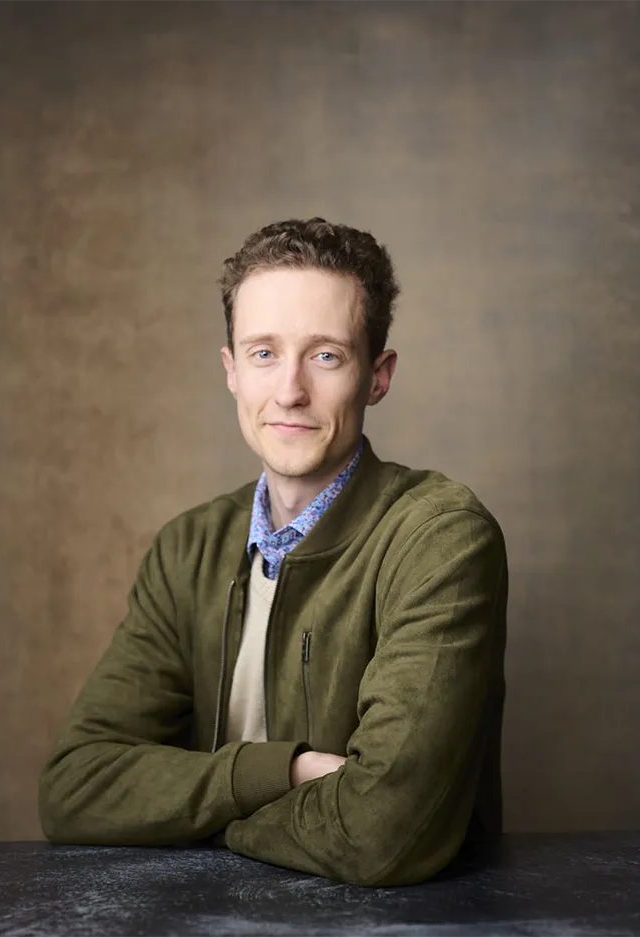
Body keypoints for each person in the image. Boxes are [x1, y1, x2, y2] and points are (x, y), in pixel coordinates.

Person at [38, 217, 508, 887]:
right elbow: (73, 785)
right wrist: (285, 771)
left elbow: (384, 831)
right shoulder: (188, 548)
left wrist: (195, 815)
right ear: (231, 370)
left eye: (325, 355)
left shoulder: (441, 538)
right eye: (263, 353)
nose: (289, 390)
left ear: (378, 375)